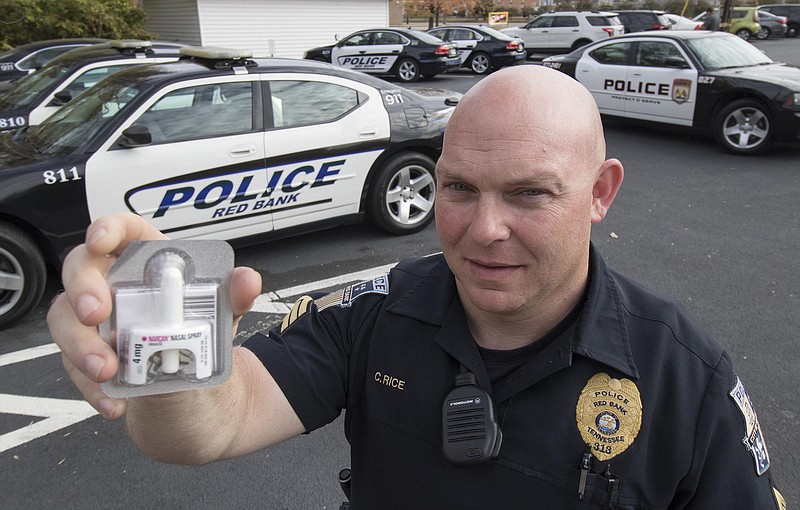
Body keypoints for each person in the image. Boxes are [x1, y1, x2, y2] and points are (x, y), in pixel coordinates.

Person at [48, 66, 785, 508]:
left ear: (600, 193)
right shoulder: (376, 312)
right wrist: (155, 334)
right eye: (459, 187)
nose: (483, 228)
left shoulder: (686, 379)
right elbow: (210, 425)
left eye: (530, 194)